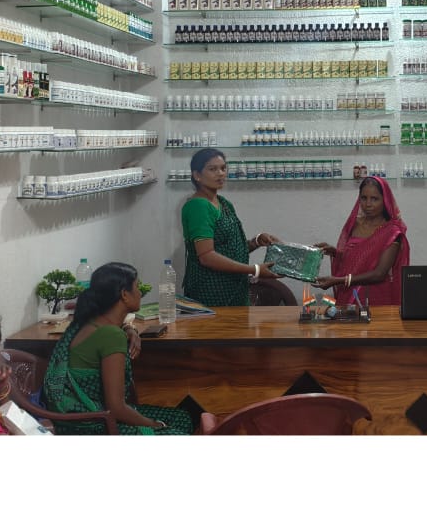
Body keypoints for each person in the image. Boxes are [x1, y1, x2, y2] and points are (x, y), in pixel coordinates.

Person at [41, 262, 192, 435]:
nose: (140, 293)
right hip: (95, 425)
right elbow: (116, 408)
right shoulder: (112, 336)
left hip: (76, 418)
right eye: (137, 287)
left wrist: (130, 329)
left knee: (182, 417)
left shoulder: (88, 322)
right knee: (177, 432)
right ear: (124, 295)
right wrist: (156, 424)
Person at [181, 148, 281, 306]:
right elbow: (207, 256)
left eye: (223, 168)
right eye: (212, 169)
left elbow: (230, 249)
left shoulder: (224, 203)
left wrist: (256, 242)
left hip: (235, 288)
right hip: (210, 291)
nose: (220, 173)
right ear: (197, 175)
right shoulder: (198, 206)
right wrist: (254, 269)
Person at [313, 176, 411, 306]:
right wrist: (335, 252)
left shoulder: (392, 232)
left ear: (385, 201)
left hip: (376, 297)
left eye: (374, 199)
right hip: (350, 294)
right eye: (364, 198)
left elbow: (379, 273)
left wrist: (338, 280)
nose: (368, 204)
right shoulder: (355, 224)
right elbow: (356, 258)